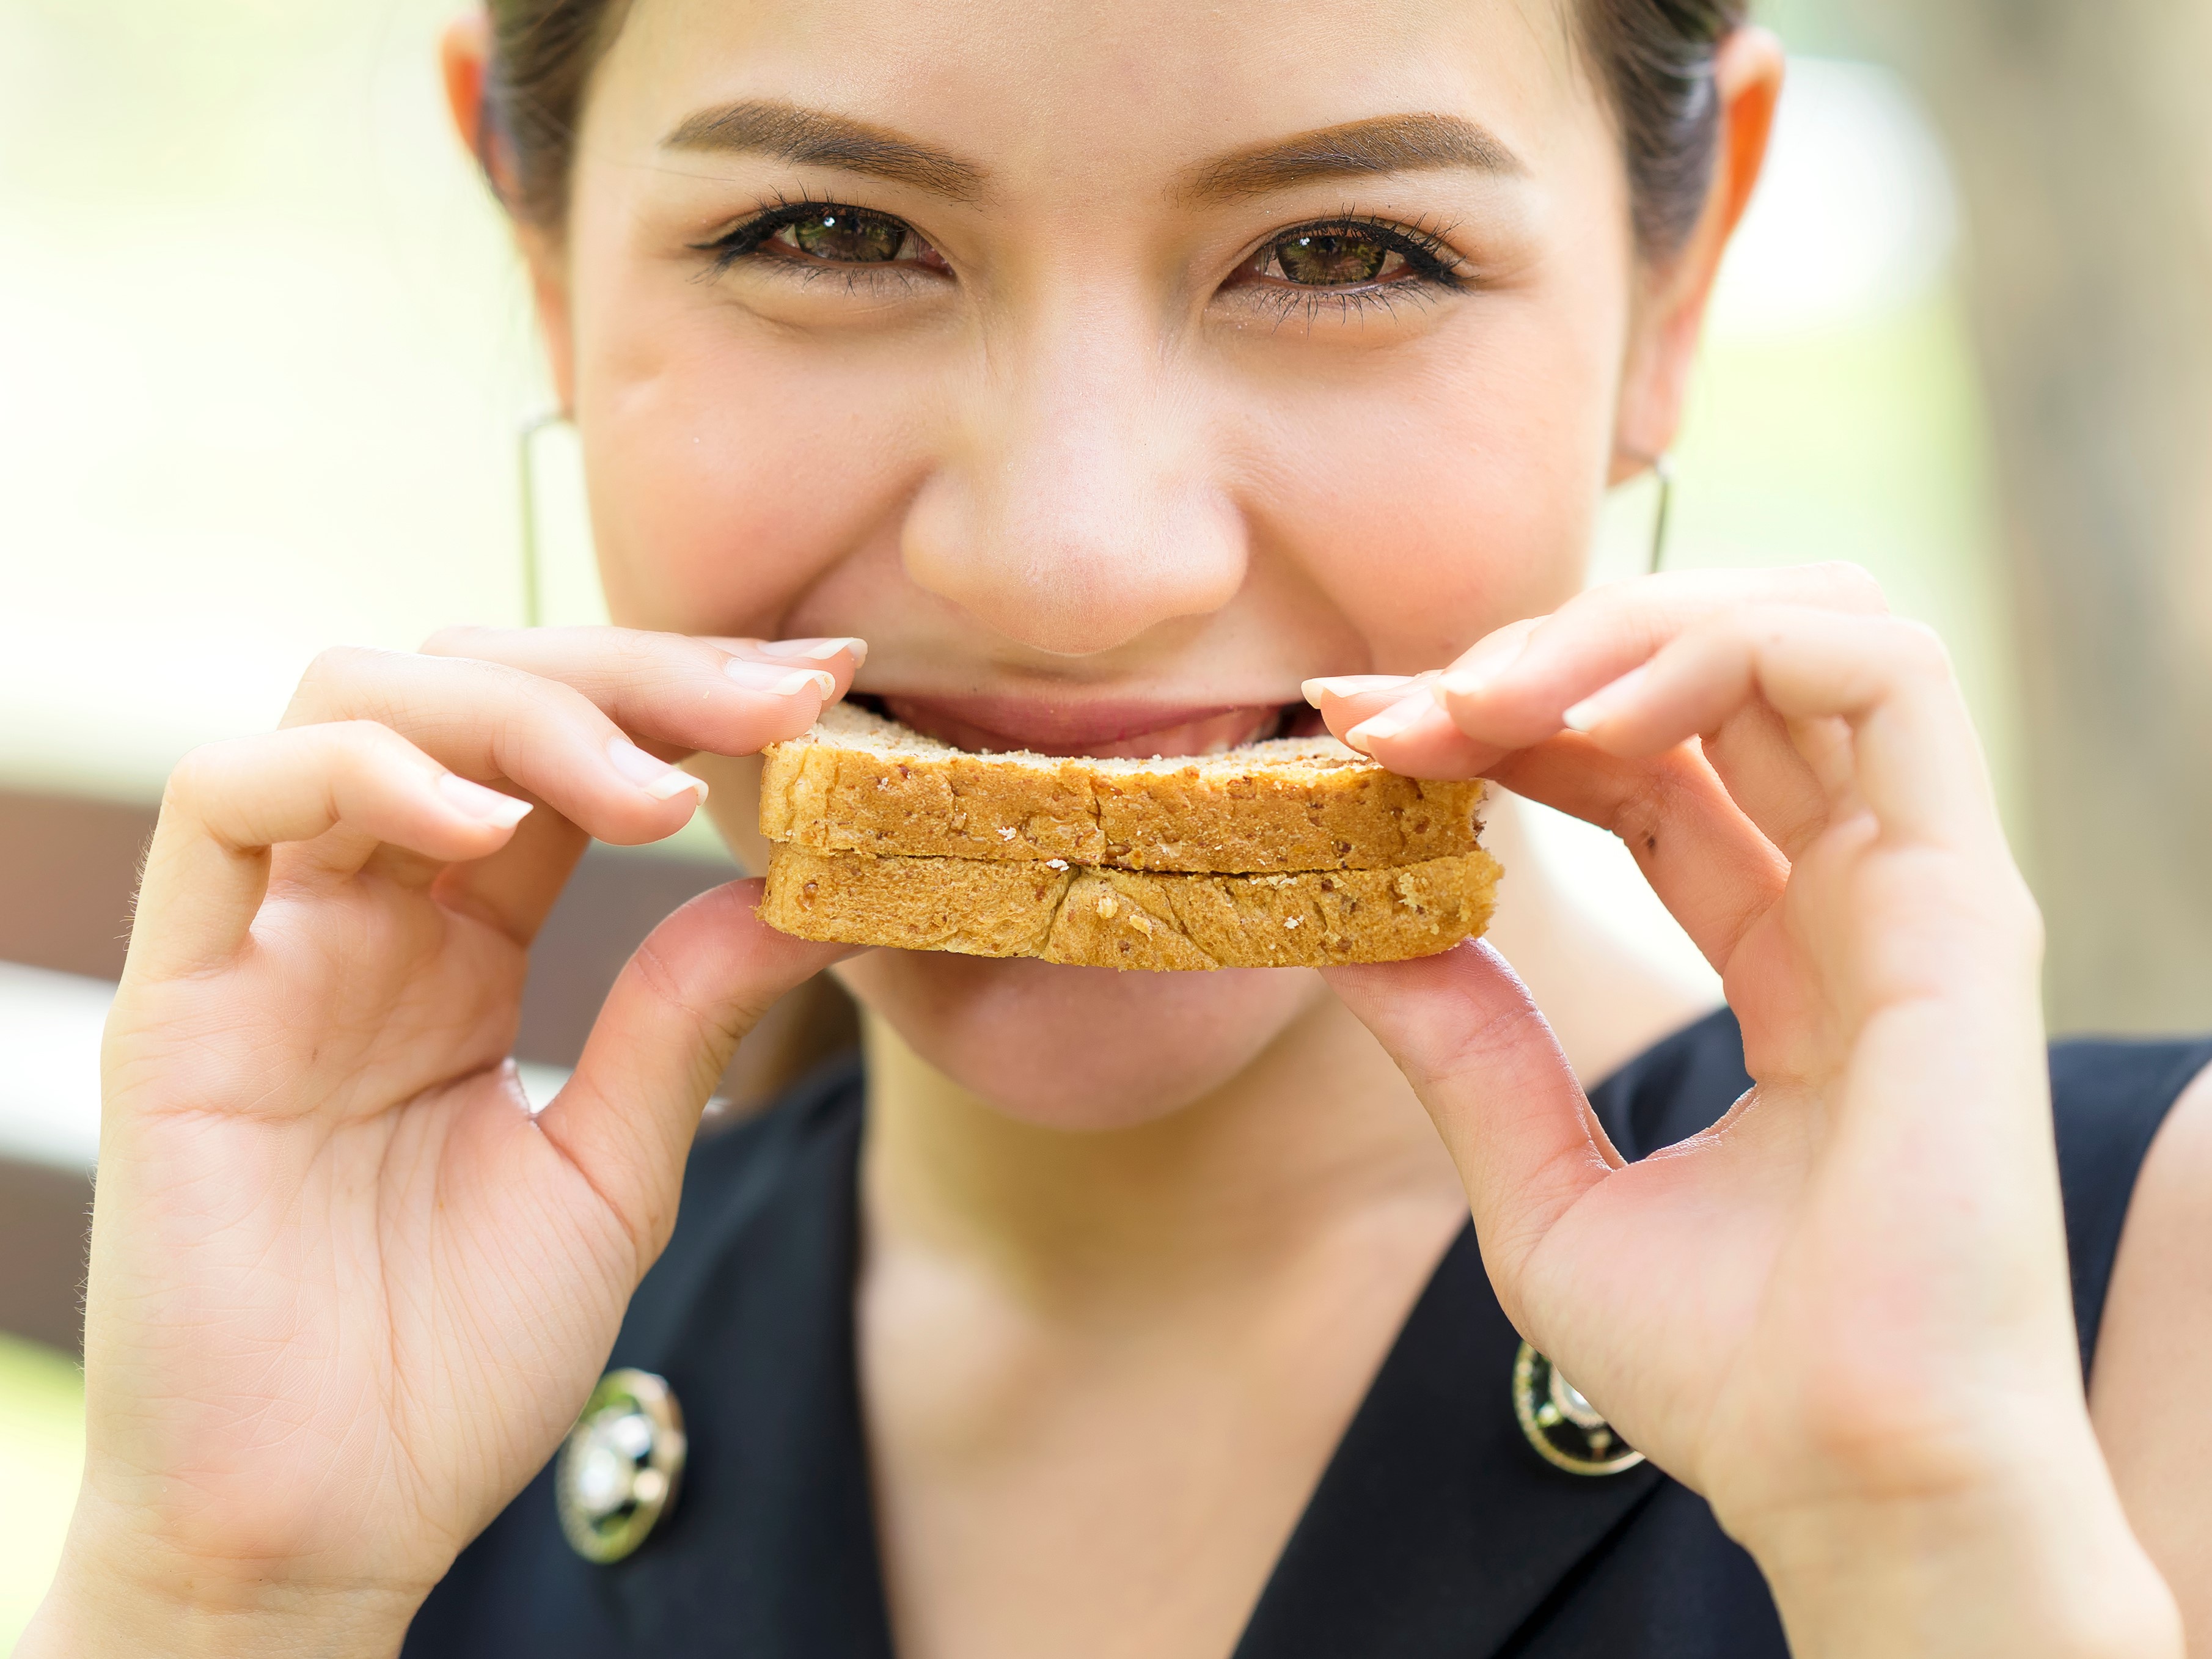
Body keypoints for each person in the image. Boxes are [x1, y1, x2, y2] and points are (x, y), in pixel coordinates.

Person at [21, 0, 2212, 1652]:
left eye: (1345, 248)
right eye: (829, 229)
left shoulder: (2144, 1300)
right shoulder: (420, 1363)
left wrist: (1931, 1536)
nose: (1076, 558)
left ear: (1678, 281)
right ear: (545, 257)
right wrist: (223, 1590)